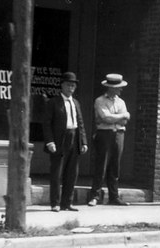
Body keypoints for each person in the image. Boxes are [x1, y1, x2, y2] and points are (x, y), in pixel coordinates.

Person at [42, 71, 88, 212]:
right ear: (62, 85)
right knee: (57, 172)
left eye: (73, 85)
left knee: (72, 172)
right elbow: (46, 124)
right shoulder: (53, 102)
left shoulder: (76, 103)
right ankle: (55, 203)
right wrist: (50, 142)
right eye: (68, 85)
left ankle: (67, 203)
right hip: (59, 140)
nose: (70, 88)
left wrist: (84, 142)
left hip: (74, 138)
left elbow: (80, 123)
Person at [87, 73, 130, 207]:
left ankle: (114, 196)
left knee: (115, 166)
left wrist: (115, 117)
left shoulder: (121, 102)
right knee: (101, 165)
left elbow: (125, 121)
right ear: (111, 88)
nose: (120, 90)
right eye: (118, 87)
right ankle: (95, 196)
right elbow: (106, 118)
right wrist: (122, 116)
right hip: (104, 134)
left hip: (119, 134)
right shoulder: (100, 101)